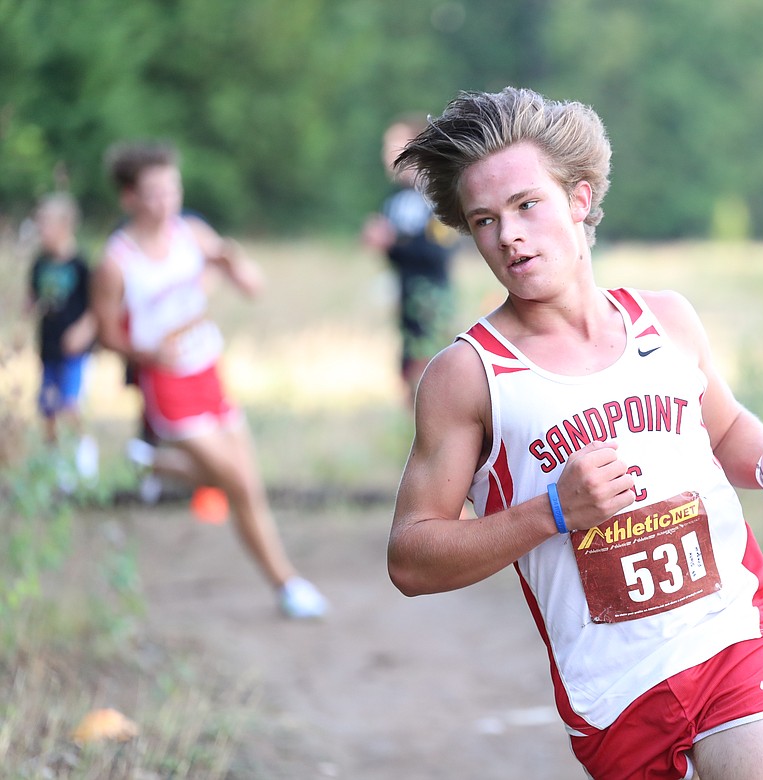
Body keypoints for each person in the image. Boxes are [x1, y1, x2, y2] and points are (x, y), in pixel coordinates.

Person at [385, 88, 763, 780]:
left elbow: (729, 428)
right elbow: (411, 558)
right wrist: (550, 512)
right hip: (615, 697)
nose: (509, 236)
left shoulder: (668, 321)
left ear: (580, 200)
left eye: (527, 205)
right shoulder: (467, 376)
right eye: (485, 220)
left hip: (734, 639)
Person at [91, 140, 328, 620]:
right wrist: (146, 351)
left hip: (209, 371)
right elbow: (107, 335)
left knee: (246, 485)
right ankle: (287, 583)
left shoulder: (192, 234)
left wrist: (232, 263)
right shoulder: (115, 263)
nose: (166, 202)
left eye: (172, 190)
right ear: (129, 199)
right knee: (238, 482)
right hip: (168, 385)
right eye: (153, 193)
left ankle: (152, 463)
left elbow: (250, 284)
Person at [362, 115, 458, 407]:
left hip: (432, 298)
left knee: (431, 367)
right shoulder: (392, 200)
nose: (388, 154)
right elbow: (395, 252)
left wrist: (394, 241)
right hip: (405, 293)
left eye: (396, 146)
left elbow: (440, 252)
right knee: (405, 367)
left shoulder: (436, 195)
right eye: (386, 147)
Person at [25, 192, 99, 487]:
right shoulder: (40, 263)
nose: (41, 231)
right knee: (47, 406)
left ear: (65, 225)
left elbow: (96, 306)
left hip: (75, 352)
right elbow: (32, 298)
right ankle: (55, 464)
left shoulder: (81, 265)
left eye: (45, 225)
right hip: (48, 347)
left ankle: (83, 456)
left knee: (71, 403)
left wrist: (84, 330)